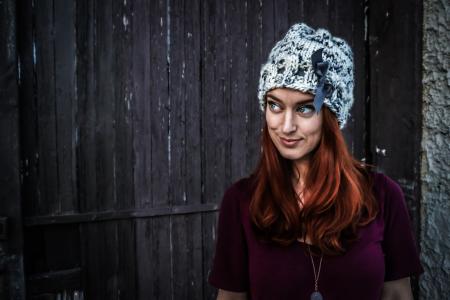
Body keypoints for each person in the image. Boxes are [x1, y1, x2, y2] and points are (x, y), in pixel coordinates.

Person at [207, 23, 424, 300]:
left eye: (305, 108)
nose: (285, 126)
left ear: (333, 117)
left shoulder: (382, 196)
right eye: (275, 105)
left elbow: (397, 294)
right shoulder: (241, 201)